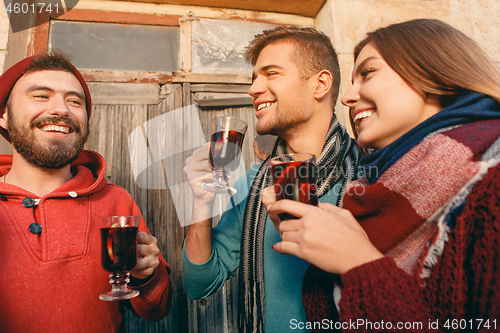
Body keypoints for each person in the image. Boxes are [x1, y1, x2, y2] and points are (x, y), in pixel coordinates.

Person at [263, 19, 500, 332]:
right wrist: (313, 242)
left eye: (367, 73)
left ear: (432, 72)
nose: (347, 97)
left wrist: (360, 264)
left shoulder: (491, 186)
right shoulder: (374, 189)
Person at [182, 26, 362, 332]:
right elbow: (200, 284)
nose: (253, 89)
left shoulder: (372, 174)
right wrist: (201, 204)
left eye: (271, 73)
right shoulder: (251, 184)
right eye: (254, 78)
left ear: (320, 84)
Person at [0, 52, 173, 332]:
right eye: (41, 96)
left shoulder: (116, 200)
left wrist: (146, 276)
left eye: (74, 101)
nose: (61, 110)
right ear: (4, 116)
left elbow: (157, 309)